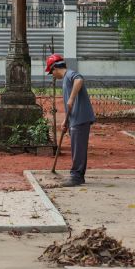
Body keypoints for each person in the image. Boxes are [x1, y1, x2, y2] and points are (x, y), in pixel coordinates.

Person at [45, 53, 95, 187]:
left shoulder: (70, 74)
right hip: (74, 118)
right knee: (76, 147)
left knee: (78, 148)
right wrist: (66, 121)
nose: (53, 75)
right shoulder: (66, 79)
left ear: (55, 68)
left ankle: (76, 176)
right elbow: (69, 105)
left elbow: (79, 80)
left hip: (81, 117)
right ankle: (77, 175)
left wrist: (72, 98)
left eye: (51, 72)